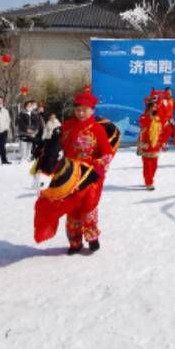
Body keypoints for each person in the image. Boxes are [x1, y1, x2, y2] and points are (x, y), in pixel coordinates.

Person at [59, 91, 115, 253]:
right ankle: (75, 242)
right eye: (78, 110)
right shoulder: (67, 126)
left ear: (92, 110)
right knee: (72, 208)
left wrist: (94, 164)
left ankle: (91, 236)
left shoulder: (97, 129)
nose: (80, 113)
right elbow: (58, 146)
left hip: (90, 175)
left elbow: (106, 153)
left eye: (84, 110)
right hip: (70, 175)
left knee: (89, 206)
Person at [138, 98, 163, 190]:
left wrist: (161, 142)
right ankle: (149, 182)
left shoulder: (157, 118)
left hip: (155, 144)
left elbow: (160, 130)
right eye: (154, 106)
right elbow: (143, 125)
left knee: (154, 165)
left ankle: (150, 178)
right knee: (147, 165)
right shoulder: (143, 117)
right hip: (146, 144)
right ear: (149, 107)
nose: (155, 108)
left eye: (156, 106)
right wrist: (150, 118)